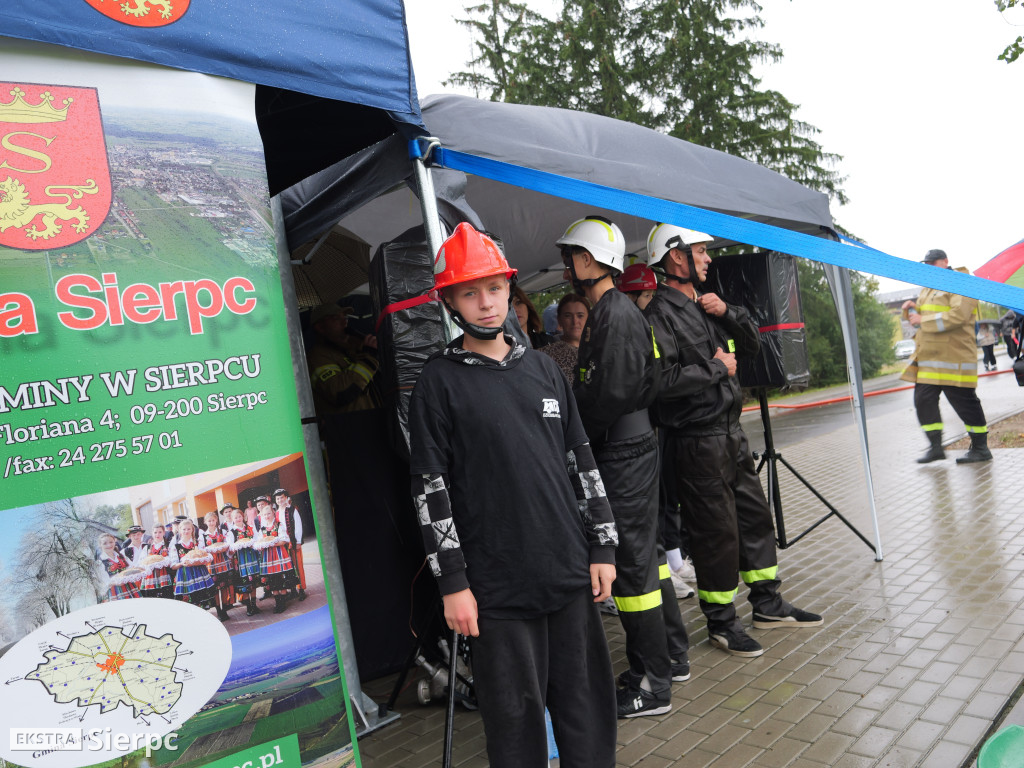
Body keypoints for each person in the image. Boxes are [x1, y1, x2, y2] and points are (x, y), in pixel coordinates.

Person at [408, 222, 618, 766]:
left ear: (510, 290)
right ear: (449, 301)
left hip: (568, 574)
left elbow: (581, 461)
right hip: (495, 591)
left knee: (587, 714)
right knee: (516, 728)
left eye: (495, 288)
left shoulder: (544, 368)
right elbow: (430, 490)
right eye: (469, 293)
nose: (486, 303)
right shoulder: (438, 382)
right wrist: (453, 584)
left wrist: (602, 544)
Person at [643, 223, 822, 659]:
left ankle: (768, 605)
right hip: (695, 441)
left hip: (732, 434)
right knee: (716, 533)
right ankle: (722, 623)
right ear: (676, 256)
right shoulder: (657, 315)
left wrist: (728, 312)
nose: (708, 259)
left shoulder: (709, 304)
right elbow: (659, 384)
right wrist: (716, 369)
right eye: (701, 251)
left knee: (755, 519)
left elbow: (754, 347)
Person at [558, 215, 689, 718]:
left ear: (587, 260)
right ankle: (668, 660)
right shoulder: (616, 311)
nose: (567, 265)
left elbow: (608, 395)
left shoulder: (612, 315)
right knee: (647, 559)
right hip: (633, 448)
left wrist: (574, 432)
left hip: (622, 453)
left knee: (633, 572)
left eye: (571, 255)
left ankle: (652, 686)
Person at [901, 249, 991, 464]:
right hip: (929, 359)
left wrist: (922, 320)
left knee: (965, 404)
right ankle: (935, 448)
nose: (929, 267)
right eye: (927, 264)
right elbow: (926, 314)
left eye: (933, 263)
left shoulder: (961, 282)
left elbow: (958, 316)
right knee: (923, 400)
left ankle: (981, 448)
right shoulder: (928, 287)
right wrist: (912, 309)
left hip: (954, 358)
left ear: (945, 261)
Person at [307, 302, 382, 414]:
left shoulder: (351, 352)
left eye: (345, 317)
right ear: (320, 327)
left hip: (374, 420)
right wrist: (369, 357)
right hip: (352, 424)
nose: (344, 322)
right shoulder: (317, 357)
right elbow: (341, 393)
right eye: (336, 318)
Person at [253, 495, 298, 614]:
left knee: (281, 579)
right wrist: (261, 545)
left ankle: (282, 603)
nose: (267, 516)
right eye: (265, 514)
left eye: (269, 513)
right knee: (273, 581)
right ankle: (278, 602)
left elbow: (284, 540)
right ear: (262, 516)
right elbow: (259, 542)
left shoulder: (279, 525)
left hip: (279, 555)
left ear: (273, 513)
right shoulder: (262, 529)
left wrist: (271, 543)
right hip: (268, 558)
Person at [539, 293, 591, 382]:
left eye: (580, 316)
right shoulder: (545, 356)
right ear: (559, 320)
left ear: (589, 319)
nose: (575, 321)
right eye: (568, 316)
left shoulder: (599, 350)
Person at [170, 518, 216, 609]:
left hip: (200, 573)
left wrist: (202, 560)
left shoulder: (197, 544)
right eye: (184, 529)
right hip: (185, 575)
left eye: (188, 529)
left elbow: (205, 556)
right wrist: (182, 563)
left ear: (192, 530)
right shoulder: (176, 547)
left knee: (203, 602)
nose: (186, 531)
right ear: (179, 530)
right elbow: (173, 566)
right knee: (191, 605)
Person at [200, 508, 236, 621]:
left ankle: (224, 608)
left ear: (216, 520)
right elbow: (202, 550)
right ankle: (219, 611)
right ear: (205, 522)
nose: (211, 523)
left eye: (213, 520)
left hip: (224, 562)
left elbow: (228, 545)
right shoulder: (203, 536)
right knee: (215, 588)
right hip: (212, 564)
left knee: (225, 586)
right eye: (209, 521)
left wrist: (227, 550)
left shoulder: (222, 532)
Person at [273, 488, 307, 602]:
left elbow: (298, 526)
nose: (280, 500)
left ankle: (301, 589)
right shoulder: (276, 513)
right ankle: (292, 590)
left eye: (282, 497)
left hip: (293, 542)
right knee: (288, 567)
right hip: (283, 545)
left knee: (298, 565)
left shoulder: (292, 510)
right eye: (278, 498)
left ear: (286, 498)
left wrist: (298, 542)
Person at [227, 506, 262, 616]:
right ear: (232, 519)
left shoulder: (250, 528)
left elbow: (256, 540)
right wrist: (236, 547)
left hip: (252, 558)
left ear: (243, 517)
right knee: (245, 584)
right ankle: (248, 607)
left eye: (239, 516)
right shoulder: (232, 532)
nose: (238, 519)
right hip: (240, 561)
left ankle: (254, 605)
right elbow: (230, 549)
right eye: (235, 517)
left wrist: (253, 544)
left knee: (253, 582)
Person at [98, 532, 140, 601]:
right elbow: (105, 581)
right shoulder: (101, 562)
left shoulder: (121, 555)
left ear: (114, 542)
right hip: (115, 591)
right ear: (100, 545)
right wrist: (117, 582)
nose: (109, 545)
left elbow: (130, 568)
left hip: (129, 586)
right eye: (105, 543)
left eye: (111, 542)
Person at [138, 524, 175, 599]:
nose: (157, 535)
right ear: (152, 533)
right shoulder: (147, 547)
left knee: (167, 598)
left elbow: (172, 560)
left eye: (160, 532)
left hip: (165, 576)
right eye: (155, 532)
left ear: (164, 533)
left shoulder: (168, 545)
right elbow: (141, 562)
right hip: (150, 579)